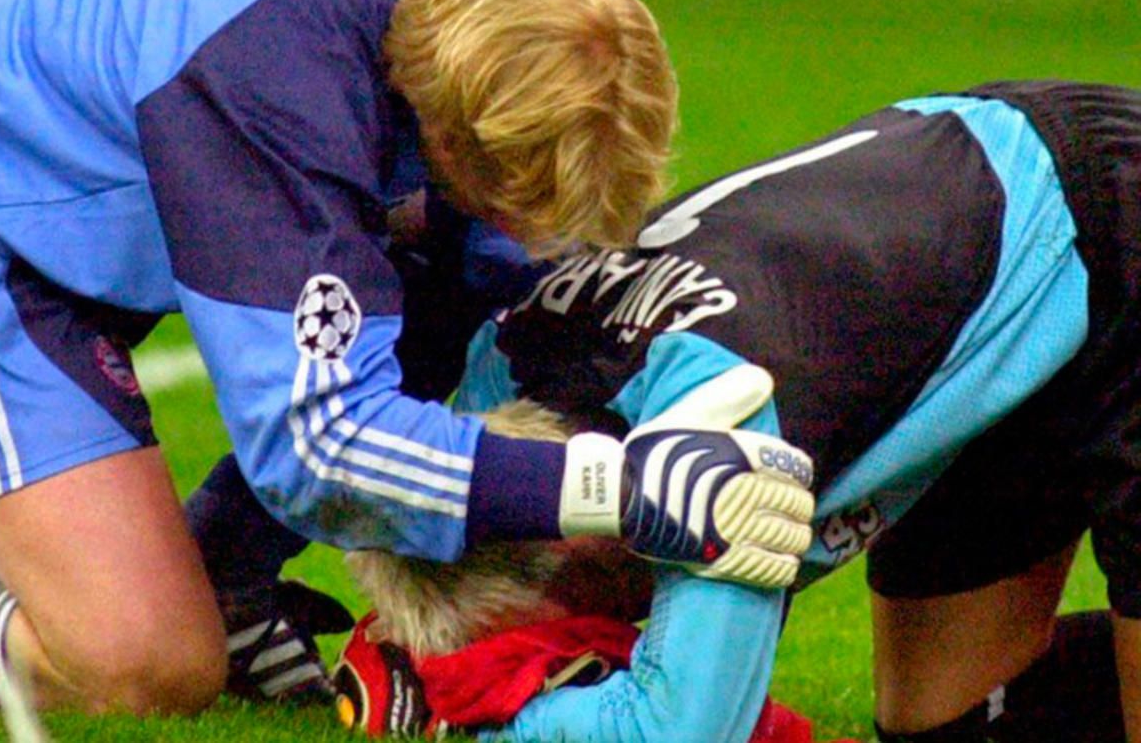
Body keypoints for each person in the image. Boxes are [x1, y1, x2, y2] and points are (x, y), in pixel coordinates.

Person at [0, 0, 817, 716]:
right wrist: (610, 489)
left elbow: (468, 297)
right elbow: (316, 443)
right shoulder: (273, 85)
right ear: (439, 132)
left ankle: (219, 578)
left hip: (75, 140)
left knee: (478, 284)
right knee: (147, 660)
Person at [338, 80, 1141, 742]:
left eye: (589, 626)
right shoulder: (497, 379)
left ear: (574, 541)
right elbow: (421, 530)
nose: (621, 640)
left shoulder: (716, 427)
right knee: (947, 728)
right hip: (989, 246)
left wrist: (483, 725)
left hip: (1110, 220)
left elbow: (686, 732)